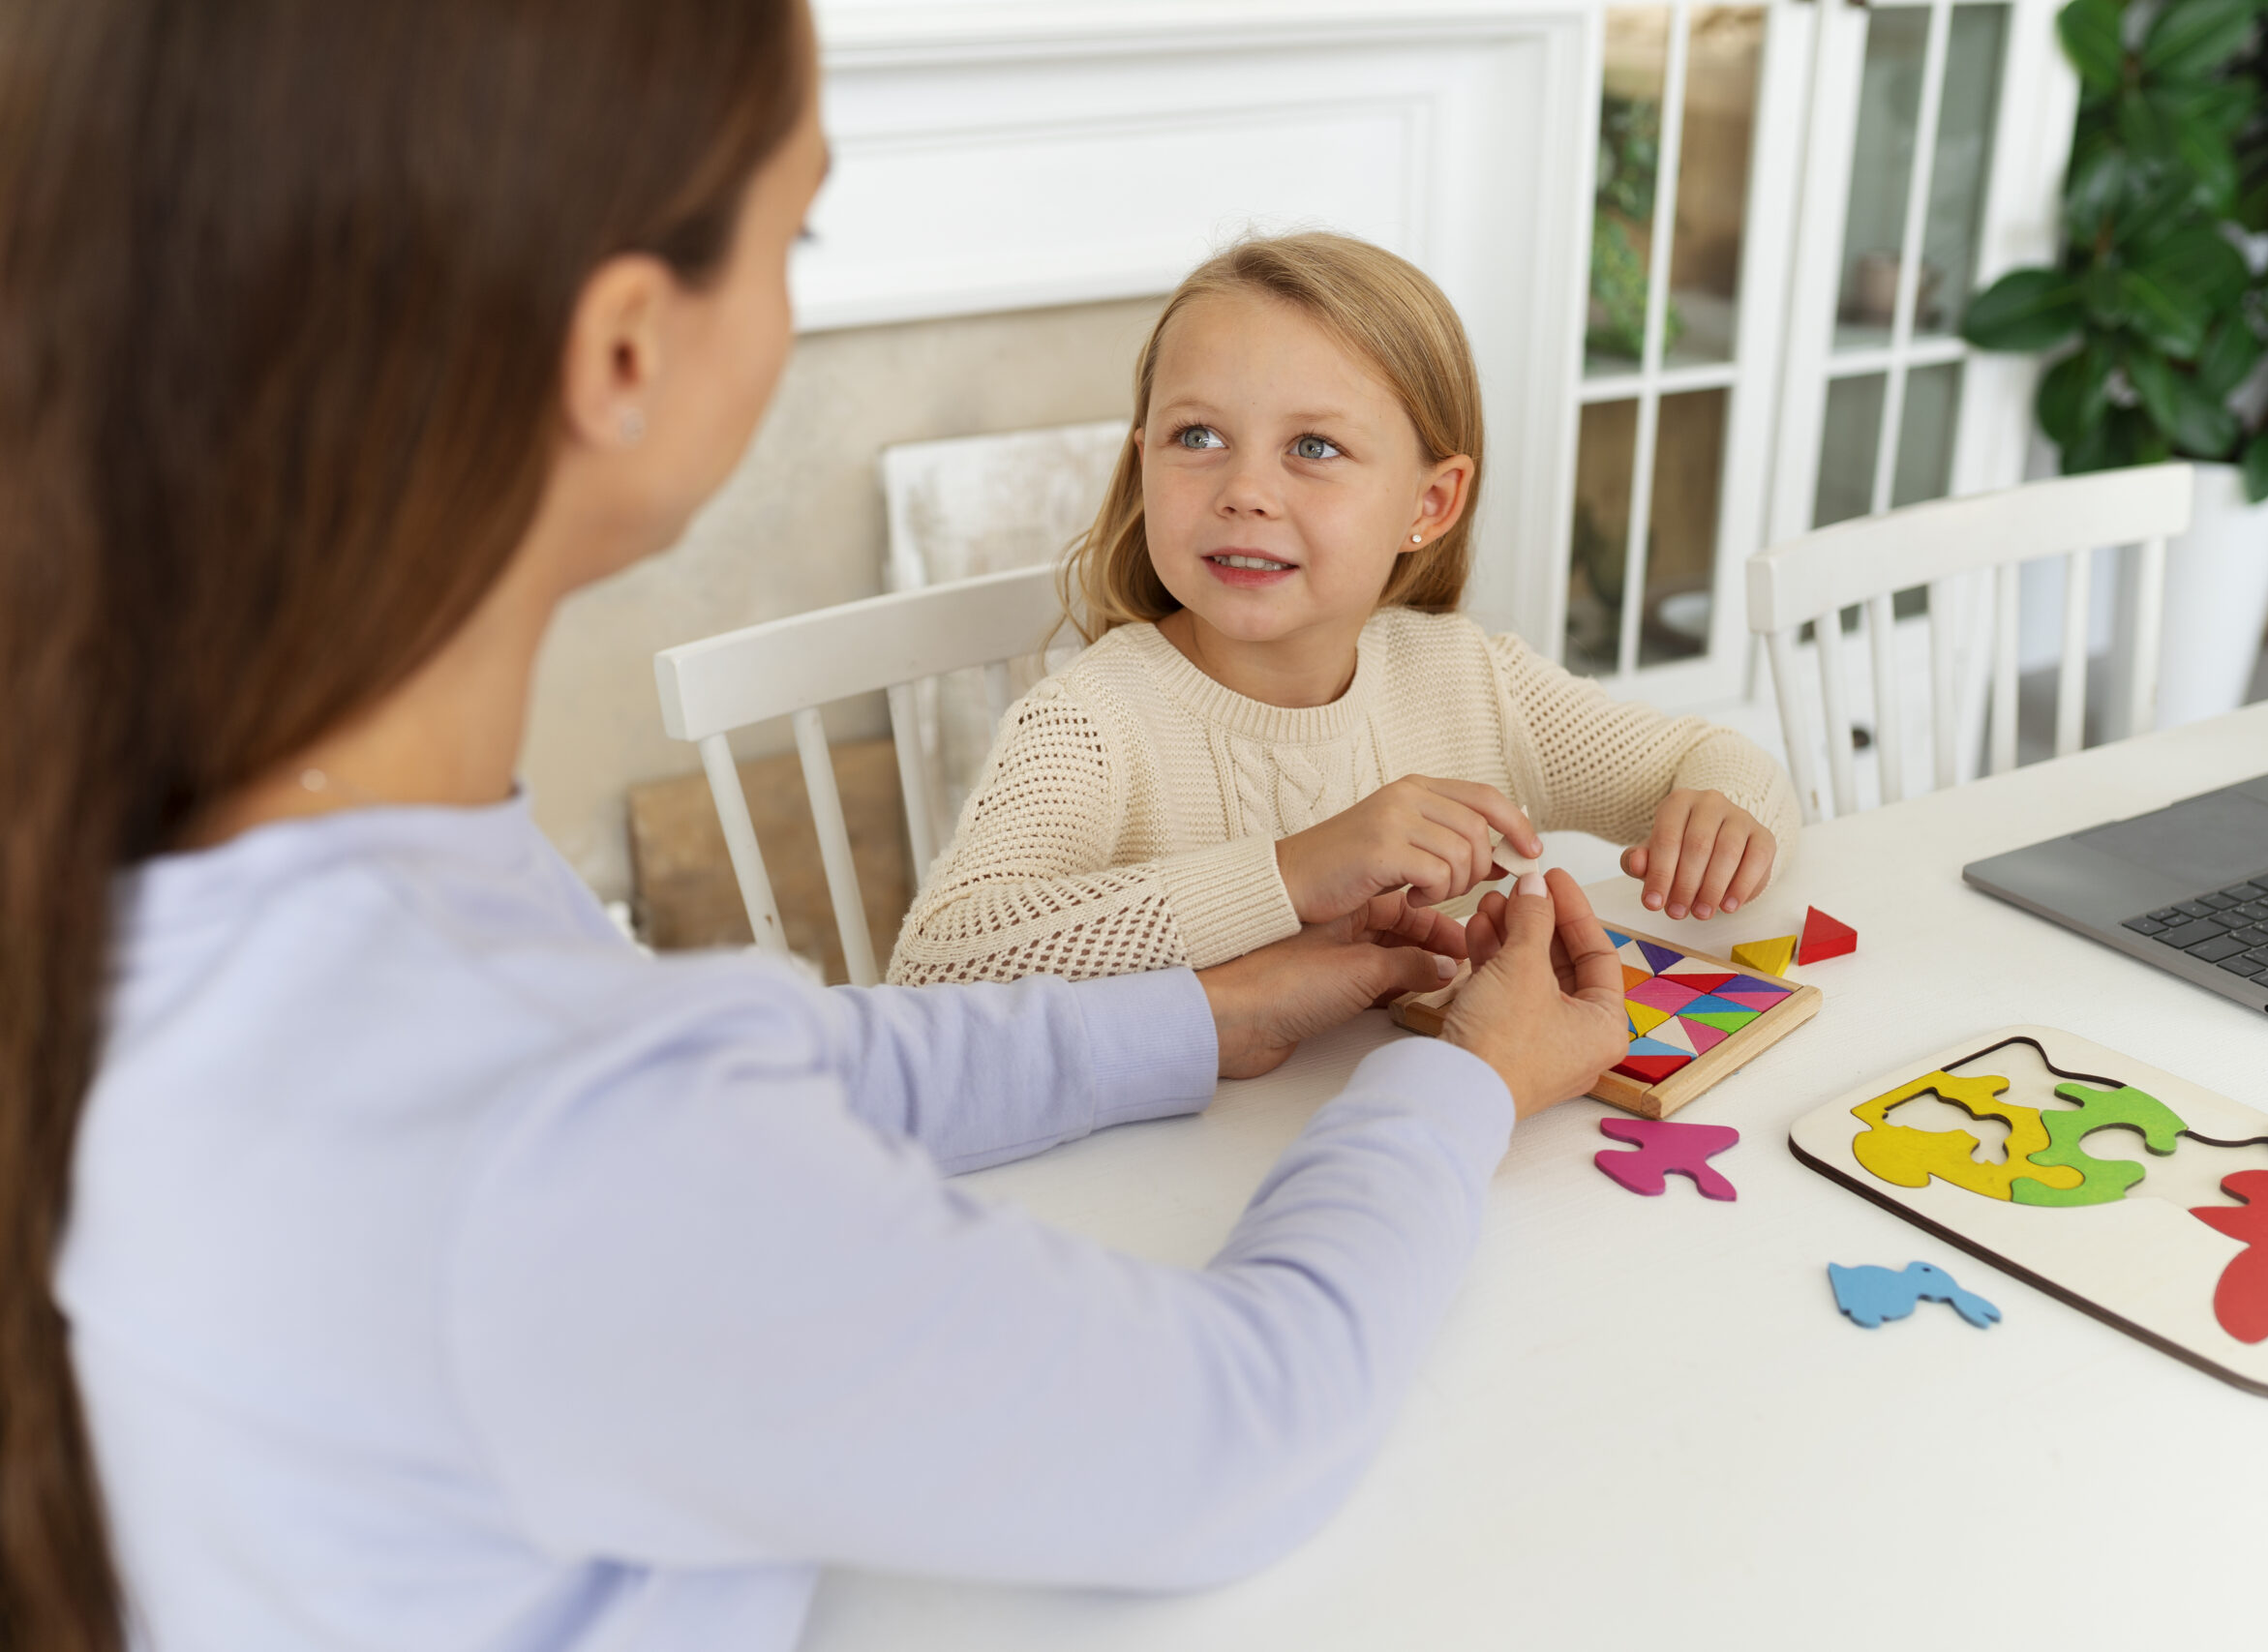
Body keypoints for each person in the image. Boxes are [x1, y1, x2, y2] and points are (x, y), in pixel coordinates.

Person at [0, 2, 1632, 1648]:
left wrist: (1205, 1010)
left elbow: (783, 1063)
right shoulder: (549, 1120)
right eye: (799, 231)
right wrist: (1464, 1079)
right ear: (627, 350)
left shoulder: (279, 850)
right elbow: (1238, 1429)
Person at [886, 232, 1802, 988]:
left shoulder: (1470, 677)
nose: (1244, 489)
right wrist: (1296, 870)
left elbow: (1711, 760)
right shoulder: (1090, 723)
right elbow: (934, 964)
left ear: (1429, 504)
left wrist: (1725, 808)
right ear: (1143, 463)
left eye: (1314, 446)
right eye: (1196, 436)